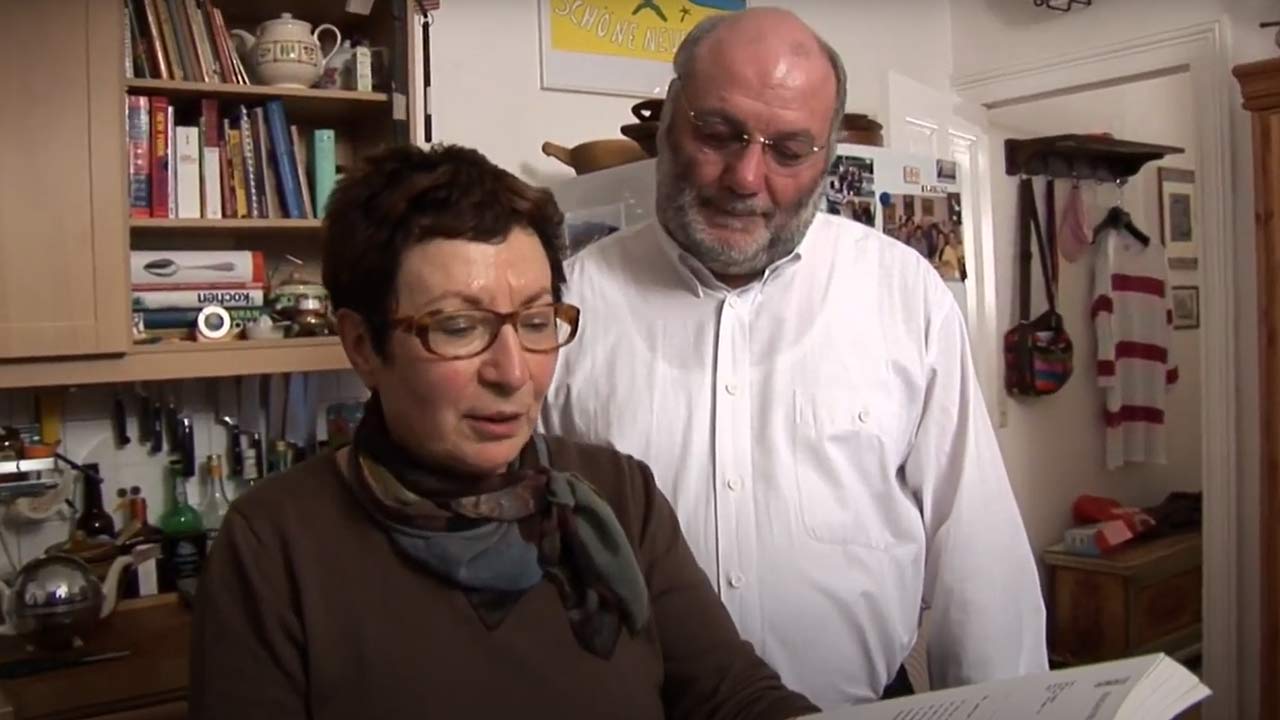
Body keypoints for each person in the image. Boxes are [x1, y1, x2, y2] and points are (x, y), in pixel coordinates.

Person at [188, 144, 820, 720]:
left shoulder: (617, 493)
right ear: (363, 345)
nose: (514, 372)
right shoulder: (273, 544)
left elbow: (731, 695)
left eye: (537, 321)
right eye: (459, 327)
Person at [539, 7, 1047, 710]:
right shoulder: (564, 308)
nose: (746, 177)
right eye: (718, 133)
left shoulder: (906, 295)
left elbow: (979, 561)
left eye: (788, 150)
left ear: (829, 158)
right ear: (665, 123)